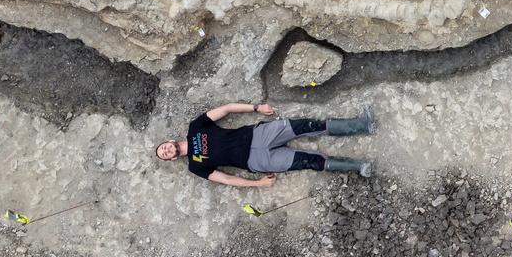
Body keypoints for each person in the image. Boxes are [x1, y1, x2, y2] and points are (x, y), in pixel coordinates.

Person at [155, 102, 374, 187]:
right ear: (172, 158)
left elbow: (226, 109)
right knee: (310, 161)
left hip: (258, 135)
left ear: (169, 141)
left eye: (163, 147)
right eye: (164, 155)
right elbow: (226, 179)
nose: (165, 151)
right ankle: (360, 167)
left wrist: (256, 108)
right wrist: (257, 184)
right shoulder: (195, 166)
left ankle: (362, 124)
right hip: (257, 160)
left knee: (308, 125)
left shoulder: (196, 127)